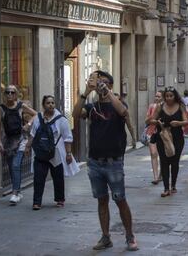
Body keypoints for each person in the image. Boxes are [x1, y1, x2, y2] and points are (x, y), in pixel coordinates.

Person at [72, 70, 138, 251]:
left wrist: (107, 92)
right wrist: (85, 92)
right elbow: (76, 114)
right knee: (102, 200)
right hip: (94, 162)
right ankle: (105, 237)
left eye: (103, 81)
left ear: (110, 85)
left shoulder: (118, 104)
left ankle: (130, 236)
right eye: (96, 81)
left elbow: (123, 111)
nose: (99, 84)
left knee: (120, 199)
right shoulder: (92, 107)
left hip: (114, 162)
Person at [25, 95, 76, 210]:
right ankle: (36, 202)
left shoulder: (61, 120)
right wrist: (27, 147)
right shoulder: (38, 118)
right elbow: (33, 134)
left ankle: (60, 199)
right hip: (40, 152)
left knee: (58, 177)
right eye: (48, 103)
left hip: (55, 153)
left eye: (52, 103)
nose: (51, 105)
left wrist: (68, 154)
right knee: (38, 177)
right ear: (43, 105)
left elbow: (67, 137)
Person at [0, 85, 37, 205]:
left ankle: (15, 193)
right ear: (4, 94)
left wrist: (28, 124)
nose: (9, 94)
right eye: (7, 92)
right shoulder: (1, 108)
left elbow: (35, 114)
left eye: (12, 92)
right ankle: (17, 191)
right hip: (7, 141)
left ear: (16, 94)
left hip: (21, 139)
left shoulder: (20, 106)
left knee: (15, 165)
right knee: (11, 167)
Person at [148, 86, 188, 197]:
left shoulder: (180, 106)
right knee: (164, 161)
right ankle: (166, 188)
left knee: (175, 162)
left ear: (175, 96)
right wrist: (157, 122)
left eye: (171, 96)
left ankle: (173, 185)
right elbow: (151, 119)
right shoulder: (160, 106)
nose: (169, 98)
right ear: (164, 97)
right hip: (163, 137)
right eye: (167, 96)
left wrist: (178, 123)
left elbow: (186, 121)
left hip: (177, 138)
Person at [145, 91, 164, 184]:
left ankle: (161, 174)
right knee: (153, 154)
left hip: (163, 134)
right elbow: (147, 120)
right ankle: (155, 177)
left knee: (162, 155)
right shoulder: (151, 106)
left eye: (159, 96)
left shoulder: (165, 107)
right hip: (151, 132)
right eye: (156, 96)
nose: (156, 98)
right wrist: (154, 116)